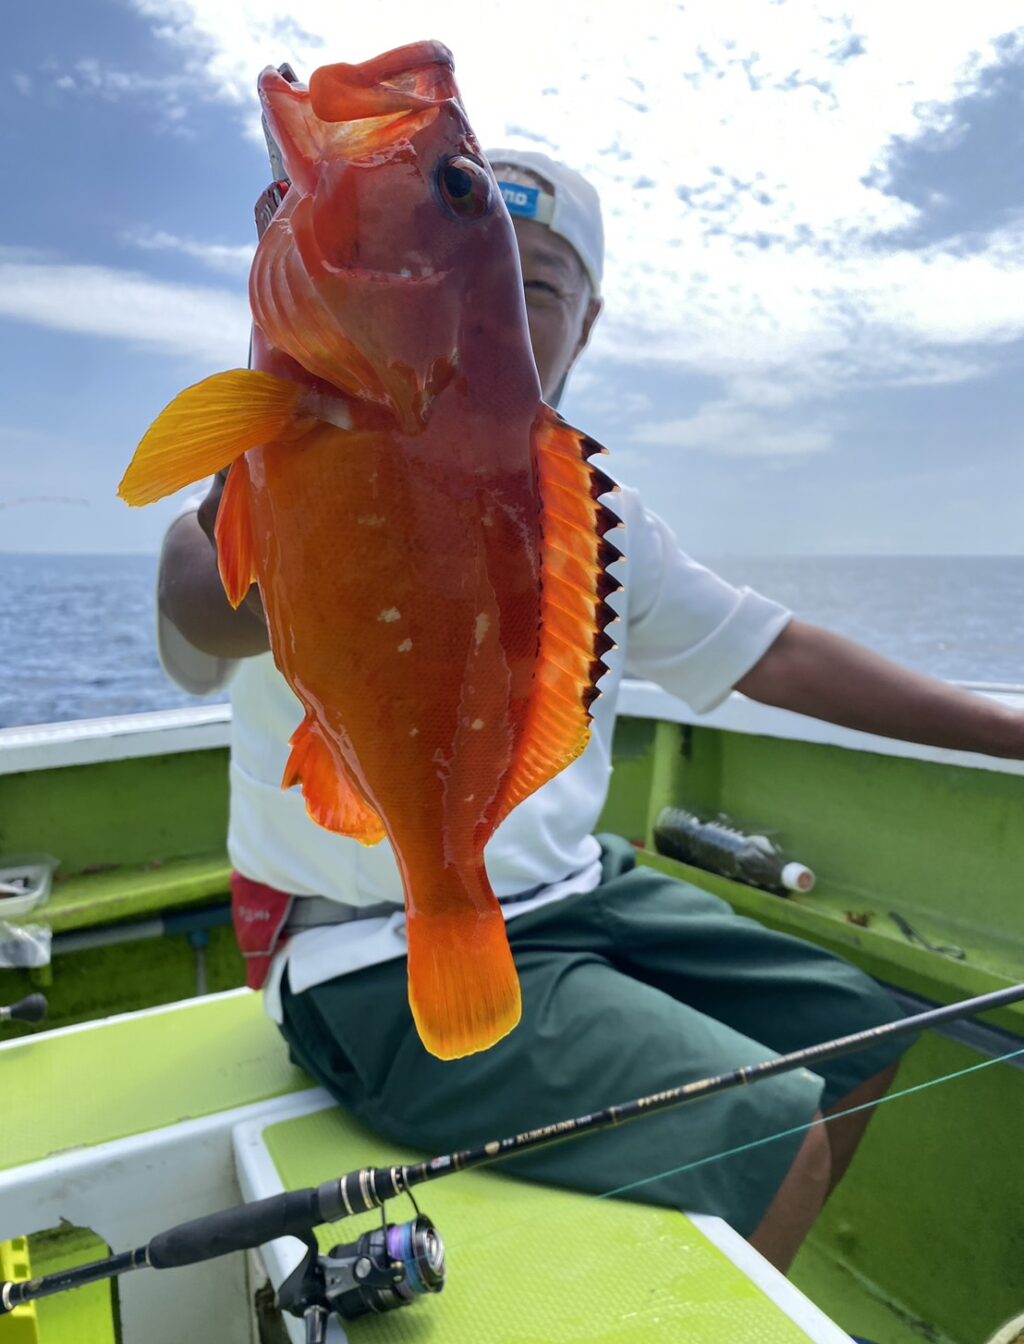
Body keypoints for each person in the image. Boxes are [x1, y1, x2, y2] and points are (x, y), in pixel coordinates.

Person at [157, 149, 1024, 1279]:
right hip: (366, 951)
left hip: (576, 891)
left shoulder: (594, 509)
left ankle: (738, 1284)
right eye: (453, 273)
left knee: (862, 1030)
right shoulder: (294, 459)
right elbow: (201, 604)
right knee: (777, 1135)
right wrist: (285, 417)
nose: (493, 306)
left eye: (538, 284)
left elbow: (775, 651)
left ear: (589, 322)